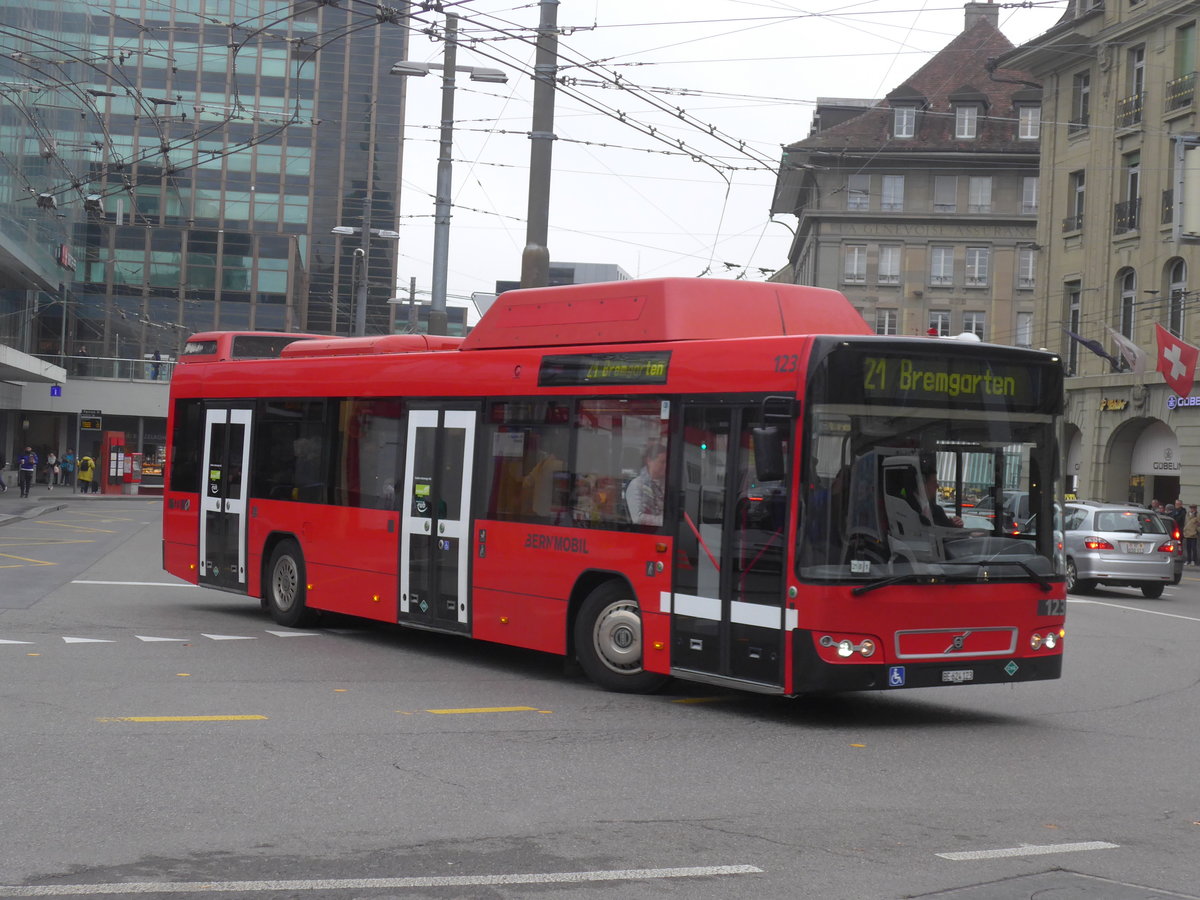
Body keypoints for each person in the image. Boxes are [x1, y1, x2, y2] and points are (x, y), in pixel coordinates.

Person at [626, 440, 667, 527]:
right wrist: (663, 520)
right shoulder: (637, 485)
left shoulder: (667, 484)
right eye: (662, 462)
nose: (665, 466)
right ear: (649, 461)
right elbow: (637, 518)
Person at [915, 452, 962, 528]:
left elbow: (947, 532)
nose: (937, 486)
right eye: (934, 482)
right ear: (922, 485)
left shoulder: (937, 510)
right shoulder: (907, 506)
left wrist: (956, 525)